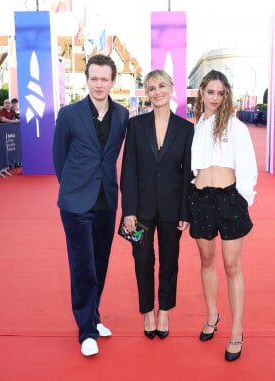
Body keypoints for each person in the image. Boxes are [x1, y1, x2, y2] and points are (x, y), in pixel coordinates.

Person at [52, 54, 129, 357]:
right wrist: (72, 188)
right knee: (82, 266)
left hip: (107, 201)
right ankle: (86, 330)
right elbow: (59, 157)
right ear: (86, 80)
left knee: (100, 264)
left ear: (113, 82)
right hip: (75, 203)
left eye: (104, 79)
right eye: (94, 78)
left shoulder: (122, 115)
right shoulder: (69, 114)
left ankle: (93, 318)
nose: (99, 84)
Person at [188, 70, 257, 362]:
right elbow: (191, 169)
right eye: (210, 92)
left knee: (231, 266)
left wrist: (243, 199)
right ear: (201, 92)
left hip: (229, 199)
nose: (215, 98)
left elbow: (248, 167)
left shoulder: (235, 126)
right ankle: (212, 315)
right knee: (206, 261)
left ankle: (237, 331)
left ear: (226, 95)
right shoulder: (197, 126)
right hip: (200, 200)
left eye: (221, 93)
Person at [120, 69, 194, 341]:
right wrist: (128, 210)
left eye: (162, 86)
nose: (157, 92)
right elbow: (128, 170)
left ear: (172, 88)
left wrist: (186, 212)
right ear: (147, 93)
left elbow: (188, 175)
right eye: (151, 88)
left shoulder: (186, 128)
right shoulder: (136, 126)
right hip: (139, 211)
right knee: (141, 260)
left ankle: (164, 309)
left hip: (172, 209)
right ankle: (147, 311)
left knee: (169, 262)